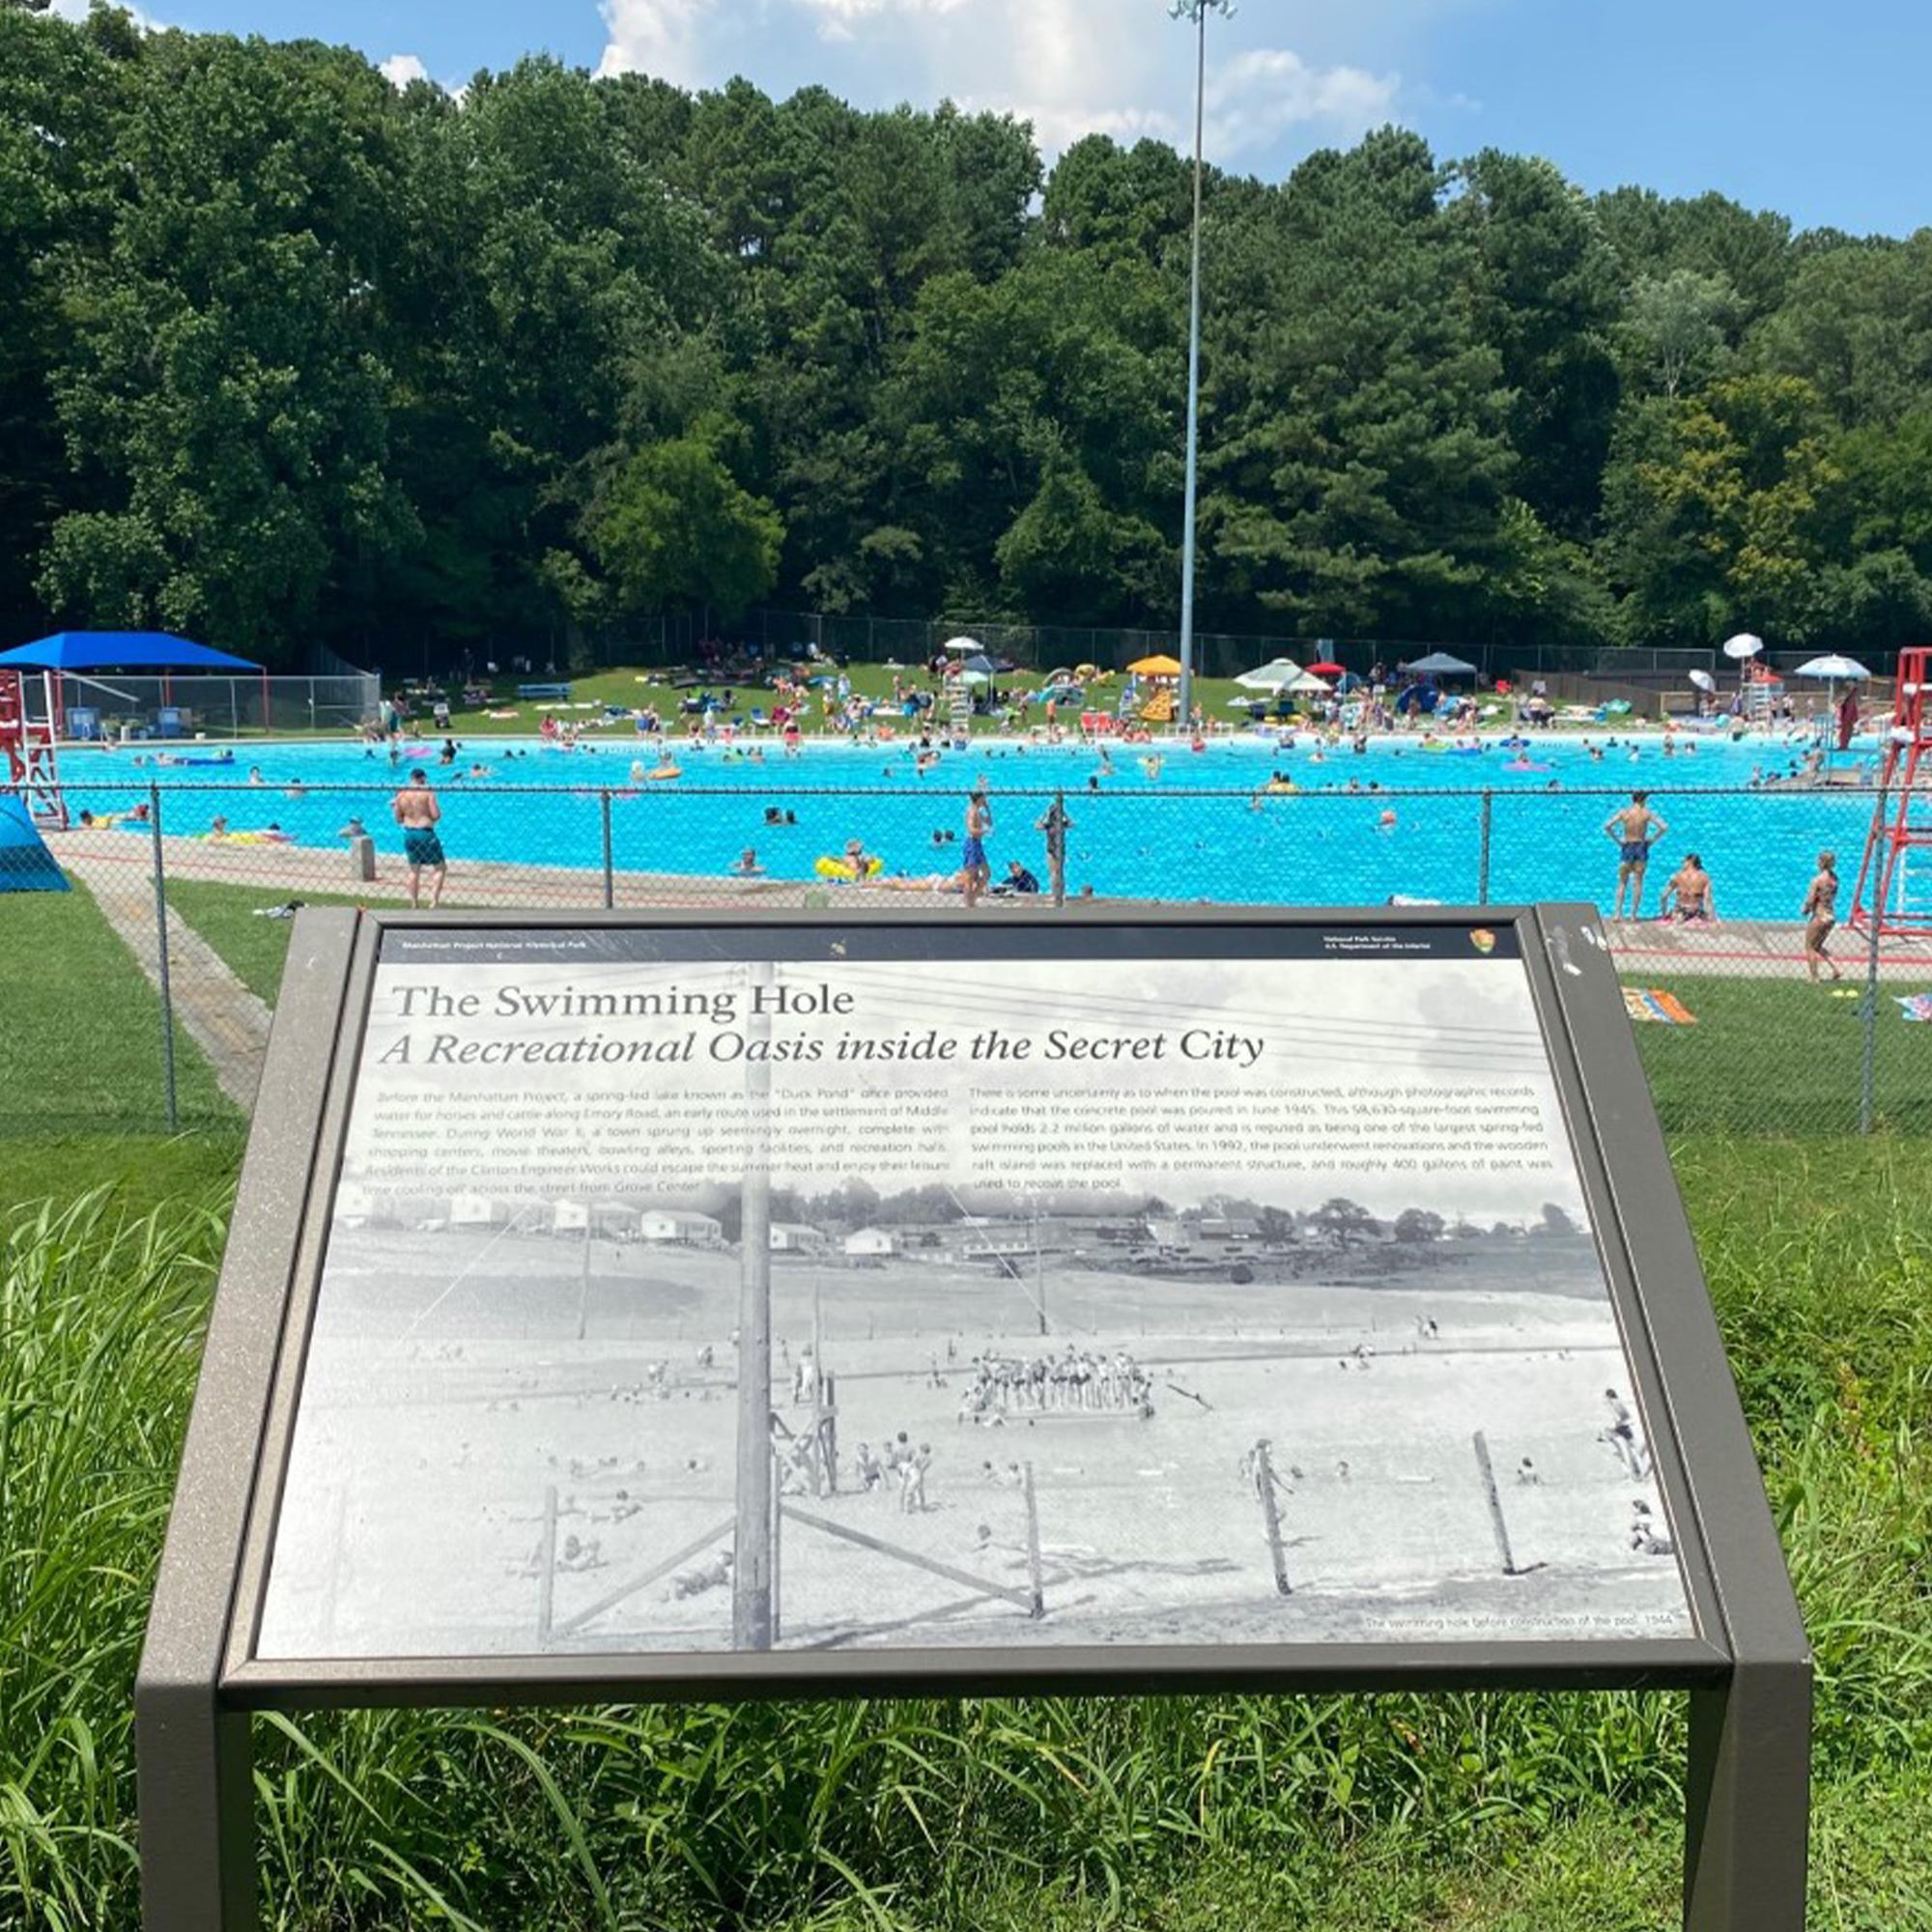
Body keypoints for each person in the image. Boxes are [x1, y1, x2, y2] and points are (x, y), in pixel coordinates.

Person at [1605, 791, 1666, 920]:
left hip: (1627, 846)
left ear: (1633, 799)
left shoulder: (1624, 812)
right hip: (1641, 847)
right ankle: (1633, 914)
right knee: (1637, 882)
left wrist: (1618, 841)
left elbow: (1607, 826)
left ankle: (1617, 913)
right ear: (1643, 800)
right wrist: (1651, 840)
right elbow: (1664, 827)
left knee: (1622, 882)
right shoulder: (1646, 813)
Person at [391, 767, 446, 908]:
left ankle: (414, 903)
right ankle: (433, 901)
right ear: (422, 778)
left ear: (411, 778)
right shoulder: (427, 793)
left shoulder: (401, 795)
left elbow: (398, 819)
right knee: (440, 868)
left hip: (409, 833)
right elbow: (436, 815)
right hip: (426, 832)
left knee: (414, 870)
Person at [1802, 850, 1842, 982]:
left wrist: (1805, 909)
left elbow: (1811, 900)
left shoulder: (1817, 880)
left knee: (1810, 946)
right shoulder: (1834, 880)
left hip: (1819, 916)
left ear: (1820, 863)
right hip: (1830, 915)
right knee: (1818, 946)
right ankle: (1836, 968)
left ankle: (1814, 977)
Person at [1660, 853, 1716, 923]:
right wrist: (1712, 917)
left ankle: (1680, 917)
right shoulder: (1704, 877)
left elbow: (1663, 896)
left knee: (1678, 916)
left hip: (1680, 910)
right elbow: (1708, 899)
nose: (1682, 864)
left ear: (1690, 862)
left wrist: (1664, 914)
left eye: (1683, 862)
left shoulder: (1677, 876)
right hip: (1697, 911)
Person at [961, 790, 992, 909]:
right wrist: (984, 831)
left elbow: (989, 822)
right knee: (969, 877)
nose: (985, 799)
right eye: (984, 797)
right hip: (972, 844)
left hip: (978, 844)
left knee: (987, 874)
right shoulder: (972, 812)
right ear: (979, 798)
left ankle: (971, 900)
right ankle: (969, 904)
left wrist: (987, 809)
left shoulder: (978, 811)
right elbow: (970, 830)